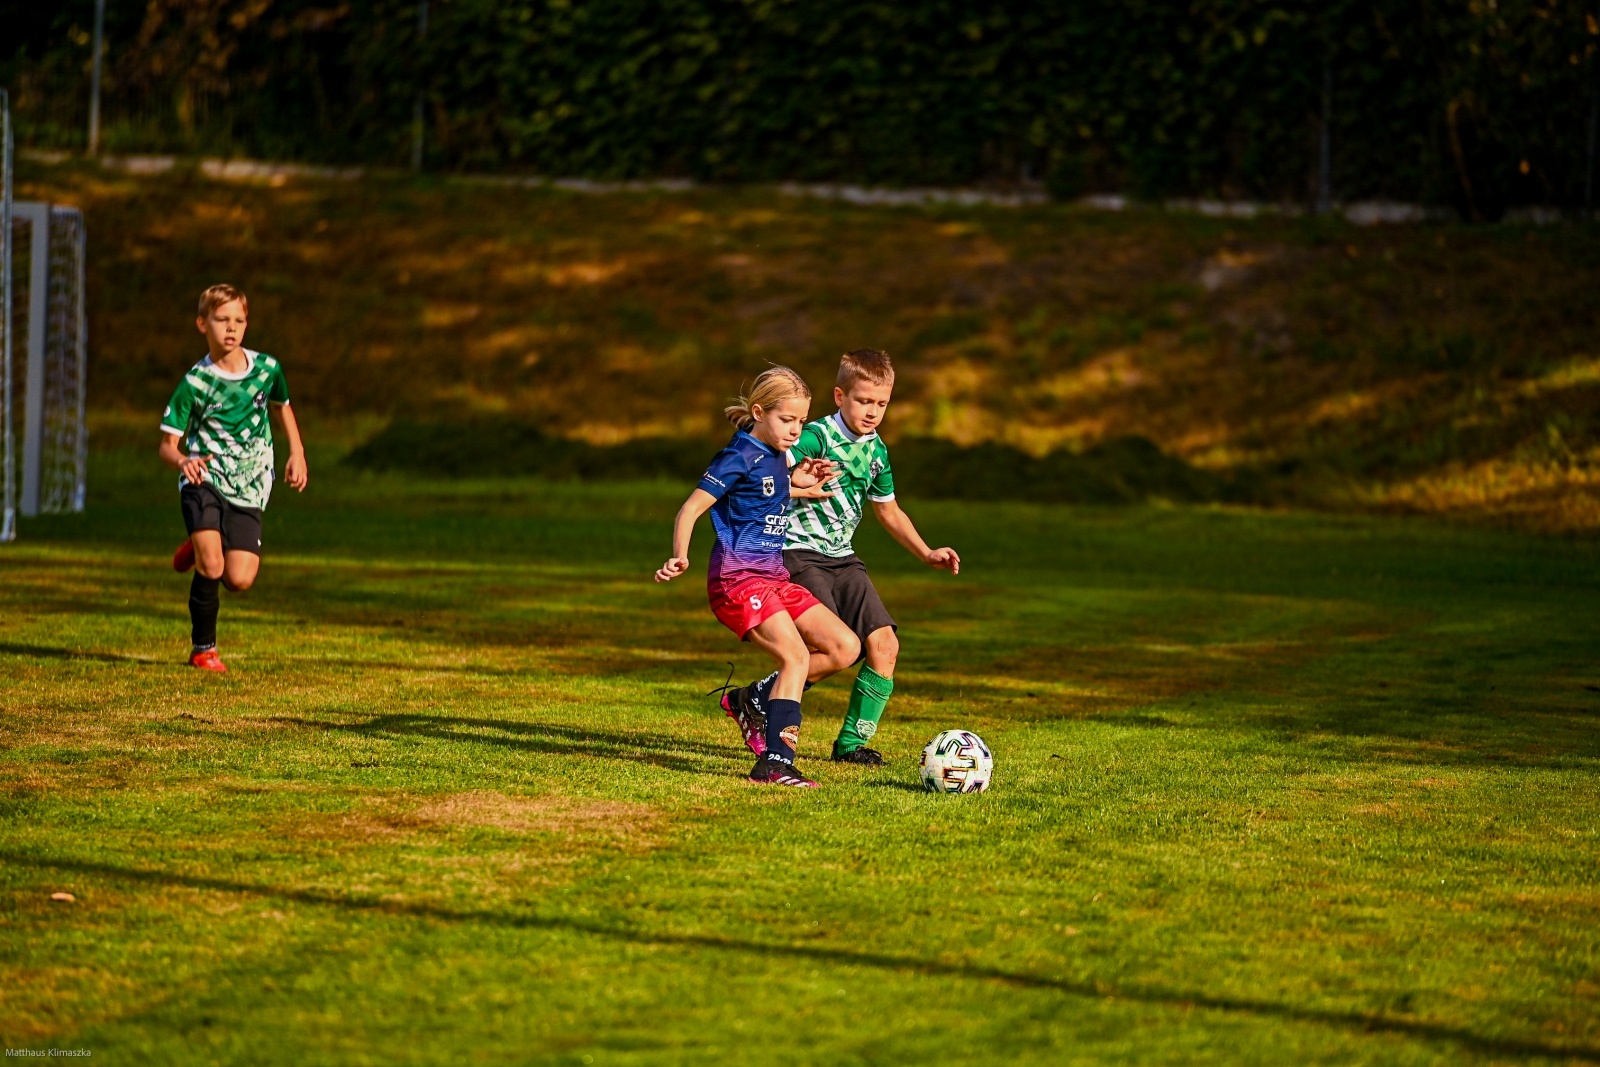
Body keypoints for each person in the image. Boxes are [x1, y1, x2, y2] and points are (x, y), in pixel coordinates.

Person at [724, 349, 959, 765]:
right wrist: (794, 474)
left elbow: (888, 510)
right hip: (797, 553)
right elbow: (769, 469)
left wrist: (926, 552)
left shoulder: (877, 452)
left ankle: (848, 744)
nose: (872, 412)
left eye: (881, 403)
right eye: (863, 401)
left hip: (844, 559)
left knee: (885, 646)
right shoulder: (814, 436)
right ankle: (761, 701)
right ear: (839, 396)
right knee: (837, 649)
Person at [655, 367, 860, 786]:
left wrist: (802, 483)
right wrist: (679, 556)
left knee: (844, 647)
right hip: (738, 580)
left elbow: (766, 490)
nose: (795, 430)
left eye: (802, 421)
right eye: (787, 420)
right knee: (796, 657)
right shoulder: (738, 455)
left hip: (774, 577)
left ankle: (754, 700)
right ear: (759, 412)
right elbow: (690, 509)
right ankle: (775, 763)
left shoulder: (777, 456)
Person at [159, 284, 307, 672]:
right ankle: (203, 649)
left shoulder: (267, 369)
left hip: (250, 479)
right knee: (213, 567)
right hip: (203, 476)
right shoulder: (194, 383)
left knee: (238, 578)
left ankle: (204, 540)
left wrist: (298, 453)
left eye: (239, 320)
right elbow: (167, 445)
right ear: (201, 324)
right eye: (222, 319)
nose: (231, 328)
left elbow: (282, 407)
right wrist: (181, 462)